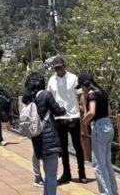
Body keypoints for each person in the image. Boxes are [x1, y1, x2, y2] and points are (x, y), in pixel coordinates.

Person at [23, 72, 66, 194]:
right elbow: (57, 111)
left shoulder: (29, 98)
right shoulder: (46, 95)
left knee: (47, 173)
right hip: (50, 139)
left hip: (37, 139)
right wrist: (64, 109)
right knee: (51, 175)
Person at [47, 56, 87, 184]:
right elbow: (49, 98)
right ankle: (67, 174)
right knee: (62, 148)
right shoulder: (51, 80)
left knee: (77, 146)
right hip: (59, 117)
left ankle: (82, 173)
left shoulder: (73, 78)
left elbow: (80, 95)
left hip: (73, 115)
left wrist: (84, 110)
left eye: (60, 67)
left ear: (64, 66)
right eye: (56, 68)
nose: (58, 70)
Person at [79, 73, 118, 195]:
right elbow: (109, 111)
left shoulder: (92, 94)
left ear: (85, 84)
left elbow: (91, 112)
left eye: (82, 87)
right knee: (107, 163)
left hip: (99, 128)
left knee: (98, 165)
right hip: (108, 125)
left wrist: (84, 121)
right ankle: (113, 192)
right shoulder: (102, 92)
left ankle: (105, 193)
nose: (82, 90)